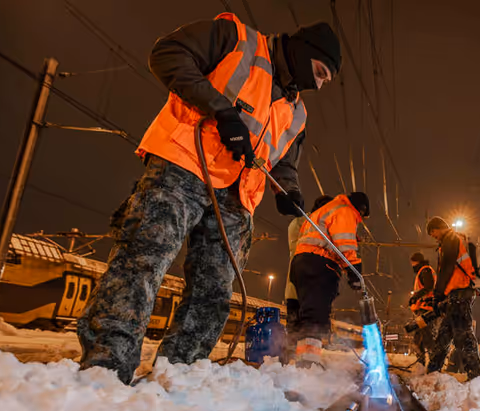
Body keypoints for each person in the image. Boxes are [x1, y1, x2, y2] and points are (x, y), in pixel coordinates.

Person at [78, 12, 342, 384]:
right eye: (319, 72)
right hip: (183, 166)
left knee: (214, 291)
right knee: (143, 262)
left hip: (237, 199)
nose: (318, 84)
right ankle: (105, 368)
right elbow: (167, 53)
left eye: (325, 81)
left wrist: (290, 191)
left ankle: (179, 375)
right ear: (303, 51)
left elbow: (284, 163)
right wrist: (220, 110)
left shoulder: (298, 113)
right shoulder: (236, 39)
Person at [290, 192, 370, 367]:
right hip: (320, 263)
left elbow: (327, 235)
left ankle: (303, 360)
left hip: (302, 262)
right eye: (362, 217)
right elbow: (345, 244)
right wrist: (355, 272)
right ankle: (308, 365)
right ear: (361, 210)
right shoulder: (346, 210)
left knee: (308, 313)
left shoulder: (327, 209)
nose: (359, 221)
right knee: (316, 314)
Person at [424, 217, 480, 378]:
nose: (433, 236)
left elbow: (447, 269)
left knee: (463, 335)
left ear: (439, 228)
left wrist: (438, 294)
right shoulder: (454, 240)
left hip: (461, 293)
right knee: (444, 334)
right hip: (457, 294)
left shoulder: (450, 240)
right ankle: (433, 371)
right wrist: (440, 296)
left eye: (433, 232)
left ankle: (475, 374)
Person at [284, 195, 333, 359]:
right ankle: (299, 364)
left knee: (304, 328)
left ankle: (300, 364)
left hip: (303, 292)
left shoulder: (305, 224)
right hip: (304, 290)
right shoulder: (307, 224)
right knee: (303, 329)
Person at [407, 251, 437, 366]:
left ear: (415, 262)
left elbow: (429, 287)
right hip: (424, 309)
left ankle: (433, 364)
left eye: (412, 263)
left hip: (426, 310)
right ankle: (421, 364)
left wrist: (415, 297)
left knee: (427, 337)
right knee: (419, 338)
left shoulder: (425, 270)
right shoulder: (424, 270)